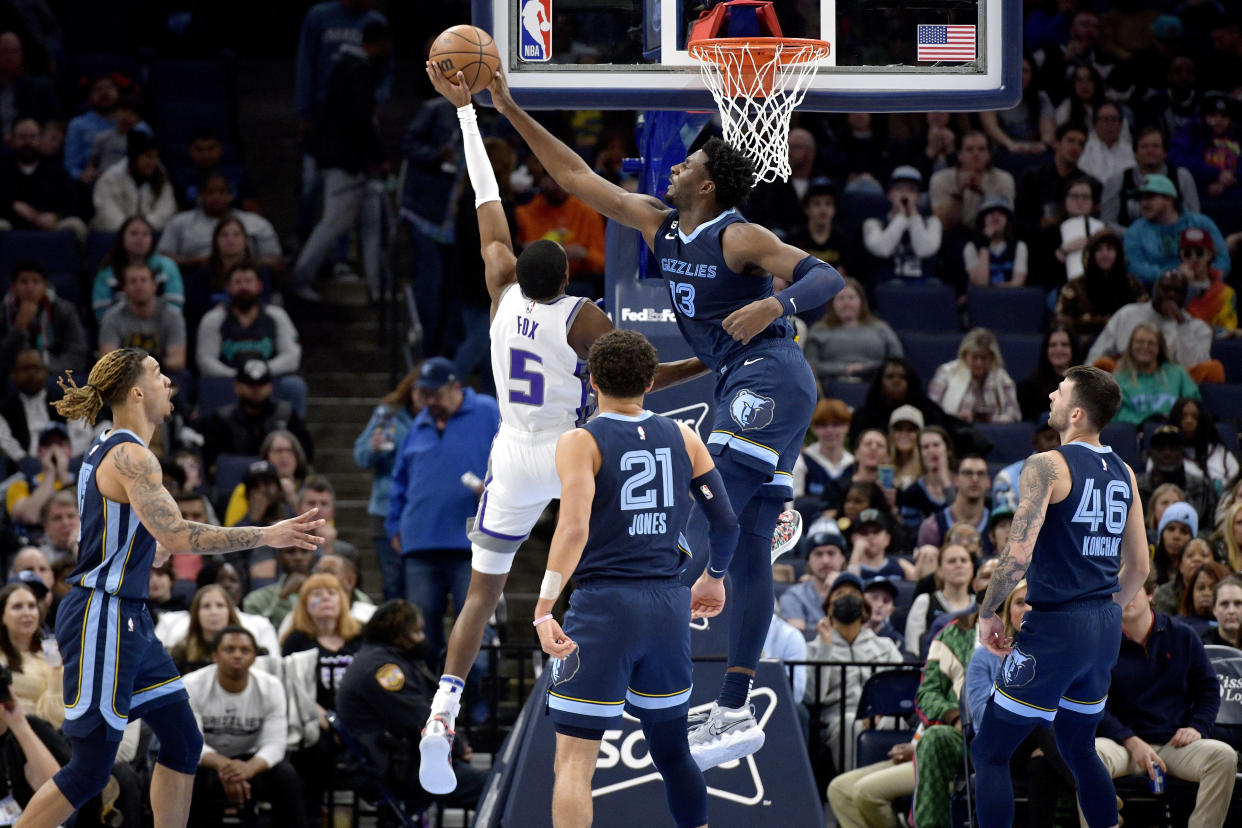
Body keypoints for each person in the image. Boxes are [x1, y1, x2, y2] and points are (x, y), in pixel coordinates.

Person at [494, 67, 846, 770]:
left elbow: (827, 278)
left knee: (694, 510)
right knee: (745, 549)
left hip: (770, 373)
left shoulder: (737, 237)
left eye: (688, 162)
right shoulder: (660, 221)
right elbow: (572, 174)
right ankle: (737, 707)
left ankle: (624, 639)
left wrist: (774, 305)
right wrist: (507, 104)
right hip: (745, 382)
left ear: (708, 185)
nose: (676, 163)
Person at [9, 347, 323, 828]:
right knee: (90, 770)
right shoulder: (132, 454)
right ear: (136, 391)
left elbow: (126, 531)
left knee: (182, 740)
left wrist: (144, 547)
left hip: (128, 616)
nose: (169, 382)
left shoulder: (112, 446)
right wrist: (266, 534)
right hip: (102, 616)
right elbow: (176, 534)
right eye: (158, 374)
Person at [530, 329, 739, 825]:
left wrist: (543, 607)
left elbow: (574, 528)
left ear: (593, 379)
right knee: (673, 755)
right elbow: (725, 522)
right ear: (650, 381)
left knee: (575, 763)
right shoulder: (685, 436)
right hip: (667, 609)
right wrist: (714, 576)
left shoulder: (580, 440)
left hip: (605, 607)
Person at [971, 365, 1150, 828]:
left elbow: (1017, 553)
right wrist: (1103, 612)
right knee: (1077, 746)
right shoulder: (1124, 471)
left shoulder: (1047, 464)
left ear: (1075, 412)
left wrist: (988, 611)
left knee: (989, 752)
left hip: (1055, 627)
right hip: (1103, 628)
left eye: (1060, 390)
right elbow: (1141, 568)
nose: (1049, 393)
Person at [1092, 577, 1237, 828]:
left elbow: (1209, 690)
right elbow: (1094, 705)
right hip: (1123, 746)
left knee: (1223, 755)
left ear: (1151, 594)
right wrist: (1130, 740)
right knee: (1088, 754)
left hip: (1174, 744)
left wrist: (1197, 727)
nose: (1126, 597)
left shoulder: (1182, 636)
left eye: (1133, 589)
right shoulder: (1099, 642)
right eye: (1118, 592)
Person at [336, 601, 486, 815]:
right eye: (416, 632)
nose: (422, 638)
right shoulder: (382, 669)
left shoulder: (385, 657)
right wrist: (457, 746)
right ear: (397, 636)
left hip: (402, 761)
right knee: (491, 788)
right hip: (389, 770)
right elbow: (417, 717)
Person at [290, 20, 390, 303]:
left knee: (372, 226)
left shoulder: (353, 67)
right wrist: (378, 156)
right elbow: (359, 122)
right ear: (378, 42)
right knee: (334, 223)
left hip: (357, 165)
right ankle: (300, 278)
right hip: (345, 164)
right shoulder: (355, 70)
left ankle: (376, 288)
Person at [184, 626, 306, 828]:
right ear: (214, 655)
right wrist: (224, 766)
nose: (237, 655)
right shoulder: (191, 685)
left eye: (245, 650)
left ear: (254, 657)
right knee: (182, 775)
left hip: (250, 762)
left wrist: (247, 769)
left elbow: (275, 745)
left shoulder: (271, 686)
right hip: (206, 764)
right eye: (229, 649)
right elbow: (189, 744)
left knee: (287, 775)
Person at [808, 572, 904, 772]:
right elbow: (812, 696)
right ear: (829, 609)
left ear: (864, 609)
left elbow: (900, 687)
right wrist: (826, 647)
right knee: (851, 724)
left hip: (882, 713)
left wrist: (879, 711)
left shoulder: (885, 646)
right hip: (839, 717)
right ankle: (850, 793)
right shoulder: (814, 648)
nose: (847, 597)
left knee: (896, 723)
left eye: (854, 594)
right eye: (840, 594)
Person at [196, 264, 307, 415]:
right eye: (238, 282)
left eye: (248, 281)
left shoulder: (277, 316)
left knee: (294, 385)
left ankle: (291, 436)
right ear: (227, 287)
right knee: (209, 385)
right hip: (229, 379)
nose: (243, 286)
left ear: (260, 286)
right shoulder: (213, 319)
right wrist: (235, 374)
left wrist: (265, 370)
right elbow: (205, 360)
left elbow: (292, 356)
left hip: (269, 378)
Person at [1086, 269, 1222, 385]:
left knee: (1214, 369)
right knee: (1102, 364)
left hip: (1172, 385)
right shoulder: (1127, 314)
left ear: (1185, 295)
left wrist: (1182, 323)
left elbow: (1193, 366)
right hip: (1128, 381)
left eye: (1177, 291)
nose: (1171, 295)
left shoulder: (1198, 327)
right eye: (1166, 289)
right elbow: (1097, 352)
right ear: (1155, 289)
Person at [354, 369, 419, 600]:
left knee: (420, 585)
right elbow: (361, 456)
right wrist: (372, 447)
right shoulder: (388, 415)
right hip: (386, 509)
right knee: (393, 583)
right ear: (410, 391)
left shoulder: (442, 419)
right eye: (420, 391)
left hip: (421, 511)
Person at [199, 360, 314, 473]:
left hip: (280, 481)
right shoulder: (221, 419)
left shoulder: (287, 414)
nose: (256, 390)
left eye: (261, 384)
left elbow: (305, 454)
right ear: (237, 387)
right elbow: (209, 462)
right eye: (250, 385)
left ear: (270, 386)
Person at [1122, 174, 1229, 288]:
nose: (1144, 203)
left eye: (1150, 197)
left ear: (1169, 199)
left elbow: (1223, 261)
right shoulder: (1135, 231)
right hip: (1157, 294)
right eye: (1141, 198)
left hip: (1203, 289)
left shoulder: (1201, 223)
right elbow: (1134, 267)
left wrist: (1202, 276)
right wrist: (1175, 276)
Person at [156, 175, 282, 273]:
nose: (216, 197)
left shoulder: (256, 223)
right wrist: (198, 261)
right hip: (195, 279)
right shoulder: (179, 222)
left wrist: (243, 263)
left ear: (231, 195)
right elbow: (161, 260)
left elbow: (277, 263)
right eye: (210, 192)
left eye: (222, 192)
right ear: (200, 195)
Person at [802, 277, 902, 388]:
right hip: (830, 387)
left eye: (851, 297)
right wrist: (844, 369)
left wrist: (865, 368)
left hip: (876, 386)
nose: (846, 303)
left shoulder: (881, 328)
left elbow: (897, 360)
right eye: (841, 298)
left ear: (861, 301)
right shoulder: (818, 330)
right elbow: (810, 366)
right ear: (832, 303)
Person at [0, 261, 88, 381]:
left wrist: (43, 368)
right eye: (24, 281)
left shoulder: (64, 310)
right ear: (13, 287)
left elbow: (77, 356)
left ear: (45, 286)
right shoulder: (3, 312)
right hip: (14, 374)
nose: (30, 287)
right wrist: (19, 328)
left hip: (53, 371)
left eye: (35, 281)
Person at [1101, 126, 1200, 231]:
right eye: (1144, 146)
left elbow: (1194, 220)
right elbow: (1108, 224)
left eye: (1155, 146)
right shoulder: (1117, 180)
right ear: (1135, 153)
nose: (1150, 150)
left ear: (1165, 153)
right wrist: (1136, 237)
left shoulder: (1182, 177)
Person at [1054, 230, 1146, 345]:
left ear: (1119, 253)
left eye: (1110, 249)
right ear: (1091, 254)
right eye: (1099, 249)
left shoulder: (1133, 284)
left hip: (1128, 344)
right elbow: (1061, 320)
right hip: (1085, 345)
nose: (1105, 254)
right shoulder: (1075, 286)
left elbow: (1145, 317)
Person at [0, 118, 86, 240]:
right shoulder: (3, 169)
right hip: (11, 222)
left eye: (32, 137)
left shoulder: (57, 171)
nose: (28, 142)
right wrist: (12, 206)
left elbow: (74, 202)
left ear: (40, 139)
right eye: (22, 137)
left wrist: (57, 216)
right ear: (12, 140)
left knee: (75, 225)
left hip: (51, 224)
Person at [91, 215, 185, 321]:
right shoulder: (107, 270)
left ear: (152, 239)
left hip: (160, 329)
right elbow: (101, 311)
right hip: (120, 331)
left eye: (145, 234)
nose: (140, 238)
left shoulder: (167, 266)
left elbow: (175, 306)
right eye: (134, 233)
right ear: (122, 237)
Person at [97, 263, 188, 372]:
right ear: (124, 288)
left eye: (144, 280)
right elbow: (107, 361)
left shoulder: (172, 316)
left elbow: (177, 361)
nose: (139, 285)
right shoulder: (112, 317)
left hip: (162, 373)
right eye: (133, 281)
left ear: (154, 285)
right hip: (125, 376)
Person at [862, 166, 943, 283]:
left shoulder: (932, 222)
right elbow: (882, 250)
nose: (905, 194)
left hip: (923, 288)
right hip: (889, 288)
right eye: (899, 189)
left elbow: (924, 250)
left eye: (911, 190)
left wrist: (914, 216)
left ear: (919, 198)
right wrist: (901, 217)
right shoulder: (874, 223)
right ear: (889, 195)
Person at [0, 581, 61, 727]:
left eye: (32, 606)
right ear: (2, 616)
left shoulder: (51, 654)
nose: (27, 613)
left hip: (50, 734)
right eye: (17, 607)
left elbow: (59, 716)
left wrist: (57, 673)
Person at [928, 328, 1020, 424]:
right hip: (956, 430)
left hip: (994, 432)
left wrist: (997, 420)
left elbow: (1015, 413)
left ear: (992, 358)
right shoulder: (947, 372)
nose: (979, 363)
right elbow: (931, 411)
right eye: (974, 357)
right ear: (964, 355)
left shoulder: (1001, 377)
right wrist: (955, 418)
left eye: (984, 358)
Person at [91, 131, 177, 232]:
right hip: (114, 235)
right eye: (148, 156)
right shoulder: (110, 178)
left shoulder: (161, 177)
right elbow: (107, 213)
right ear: (134, 157)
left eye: (156, 157)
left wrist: (143, 230)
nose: (153, 162)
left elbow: (165, 211)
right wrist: (131, 231)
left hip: (150, 234)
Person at [904, 543, 975, 657]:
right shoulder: (925, 602)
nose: (959, 565)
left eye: (964, 560)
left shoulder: (981, 605)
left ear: (971, 567)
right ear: (940, 571)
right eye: (952, 561)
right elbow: (913, 651)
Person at [777, 523, 845, 638]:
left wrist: (841, 593)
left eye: (831, 553)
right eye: (818, 554)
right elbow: (800, 639)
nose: (825, 561)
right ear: (808, 560)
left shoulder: (857, 591)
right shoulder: (794, 595)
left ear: (842, 558)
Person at [917, 455, 993, 552]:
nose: (975, 479)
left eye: (981, 474)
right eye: (968, 473)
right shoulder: (932, 526)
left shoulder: (996, 527)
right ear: (956, 480)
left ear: (988, 482)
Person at [791, 398, 854, 509]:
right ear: (814, 428)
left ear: (847, 426)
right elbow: (792, 507)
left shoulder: (854, 465)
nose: (829, 430)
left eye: (836, 424)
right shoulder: (801, 462)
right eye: (823, 425)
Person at [1180, 227, 1238, 335]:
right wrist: (1187, 286)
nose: (1193, 258)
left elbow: (1228, 330)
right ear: (1181, 256)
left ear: (1209, 255)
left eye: (1199, 252)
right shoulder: (1170, 287)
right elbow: (1171, 322)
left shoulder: (1225, 292)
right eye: (1187, 253)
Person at [898, 425, 956, 532]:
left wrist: (946, 484)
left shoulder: (963, 485)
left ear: (948, 449)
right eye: (926, 447)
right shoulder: (912, 493)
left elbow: (963, 524)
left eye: (936, 445)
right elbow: (911, 534)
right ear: (920, 454)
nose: (932, 451)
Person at [1170, 397, 1239, 485]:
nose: (1189, 421)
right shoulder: (1162, 453)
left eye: (1194, 417)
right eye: (1183, 416)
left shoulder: (1220, 453)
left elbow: (1237, 487)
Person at [1018, 324, 1080, 422]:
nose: (1058, 349)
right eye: (1053, 345)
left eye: (1064, 344)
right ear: (1046, 350)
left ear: (1073, 349)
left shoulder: (1086, 383)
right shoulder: (1031, 386)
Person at [965, 196, 1028, 288]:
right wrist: (985, 243)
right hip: (982, 300)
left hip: (1010, 298)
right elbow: (981, 284)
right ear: (982, 220)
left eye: (1001, 212)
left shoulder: (1019, 246)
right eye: (990, 212)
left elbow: (1018, 283)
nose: (996, 216)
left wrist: (992, 289)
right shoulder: (971, 247)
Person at [1153, 536, 1215, 616]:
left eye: (1204, 555)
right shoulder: (1163, 595)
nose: (1197, 559)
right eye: (1190, 555)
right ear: (1180, 566)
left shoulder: (1224, 591)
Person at [1078, 103, 1134, 186]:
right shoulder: (1083, 150)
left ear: (1121, 125)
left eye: (1114, 119)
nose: (1110, 124)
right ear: (1095, 125)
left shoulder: (1130, 152)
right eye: (1105, 119)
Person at [1179, 561, 1232, 636]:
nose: (1206, 593)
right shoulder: (1177, 626)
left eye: (1213, 588)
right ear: (1191, 593)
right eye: (1201, 588)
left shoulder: (1235, 626)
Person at [1202, 575, 1242, 648]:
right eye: (1224, 604)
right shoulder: (1203, 647)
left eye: (1238, 603)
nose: (1231, 611)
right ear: (1214, 609)